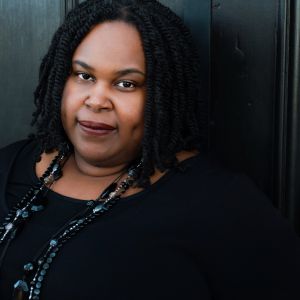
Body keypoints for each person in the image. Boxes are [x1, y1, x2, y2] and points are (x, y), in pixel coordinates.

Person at [0, 0, 300, 299]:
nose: (96, 100)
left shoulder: (225, 208)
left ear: (164, 96)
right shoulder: (9, 165)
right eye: (84, 76)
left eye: (126, 83)